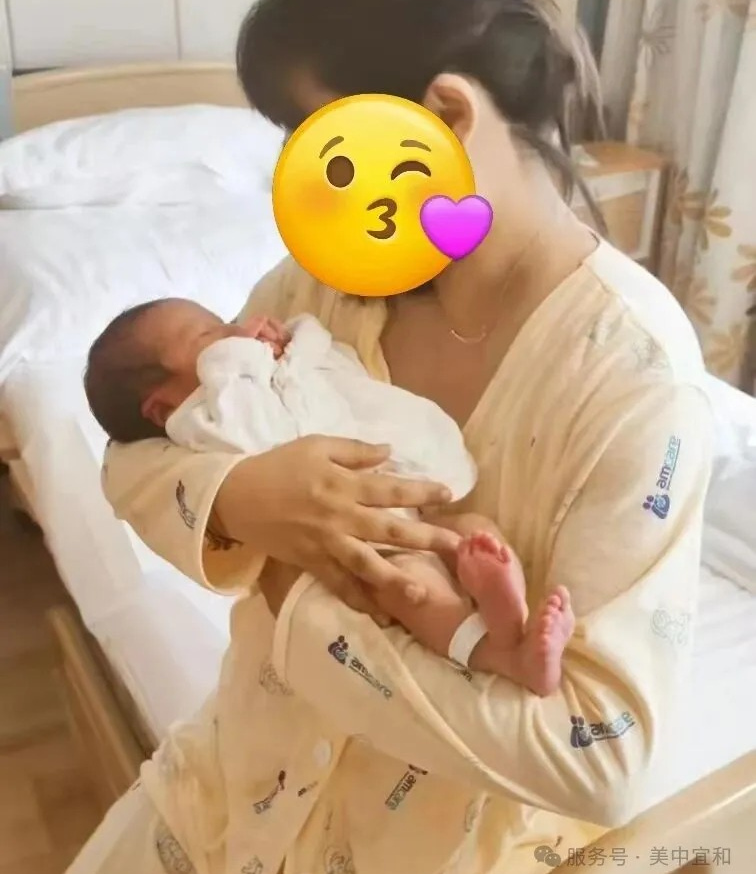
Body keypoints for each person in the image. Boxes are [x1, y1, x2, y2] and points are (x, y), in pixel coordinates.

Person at [61, 0, 713, 874]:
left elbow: (601, 757)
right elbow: (136, 450)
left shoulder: (631, 376)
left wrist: (297, 599)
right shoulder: (321, 286)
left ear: (445, 114)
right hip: (236, 786)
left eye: (324, 149)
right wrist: (243, 498)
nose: (308, 189)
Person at [83, 298, 575, 695]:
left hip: (407, 503)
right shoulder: (199, 421)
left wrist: (291, 343)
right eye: (209, 336)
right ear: (162, 408)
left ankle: (509, 618)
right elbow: (241, 429)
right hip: (361, 544)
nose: (237, 329)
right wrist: (242, 355)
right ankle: (497, 654)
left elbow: (331, 363)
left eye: (226, 321)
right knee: (412, 585)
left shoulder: (264, 367)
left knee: (475, 536)